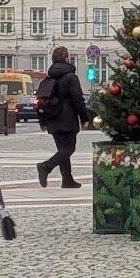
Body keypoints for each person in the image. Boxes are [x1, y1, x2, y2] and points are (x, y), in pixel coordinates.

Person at [36, 46, 92, 189]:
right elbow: (78, 100)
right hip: (67, 118)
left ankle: (67, 180)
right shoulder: (70, 77)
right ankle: (45, 167)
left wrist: (42, 121)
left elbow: (41, 100)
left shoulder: (49, 77)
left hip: (52, 118)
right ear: (66, 58)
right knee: (69, 149)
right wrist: (85, 118)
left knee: (62, 149)